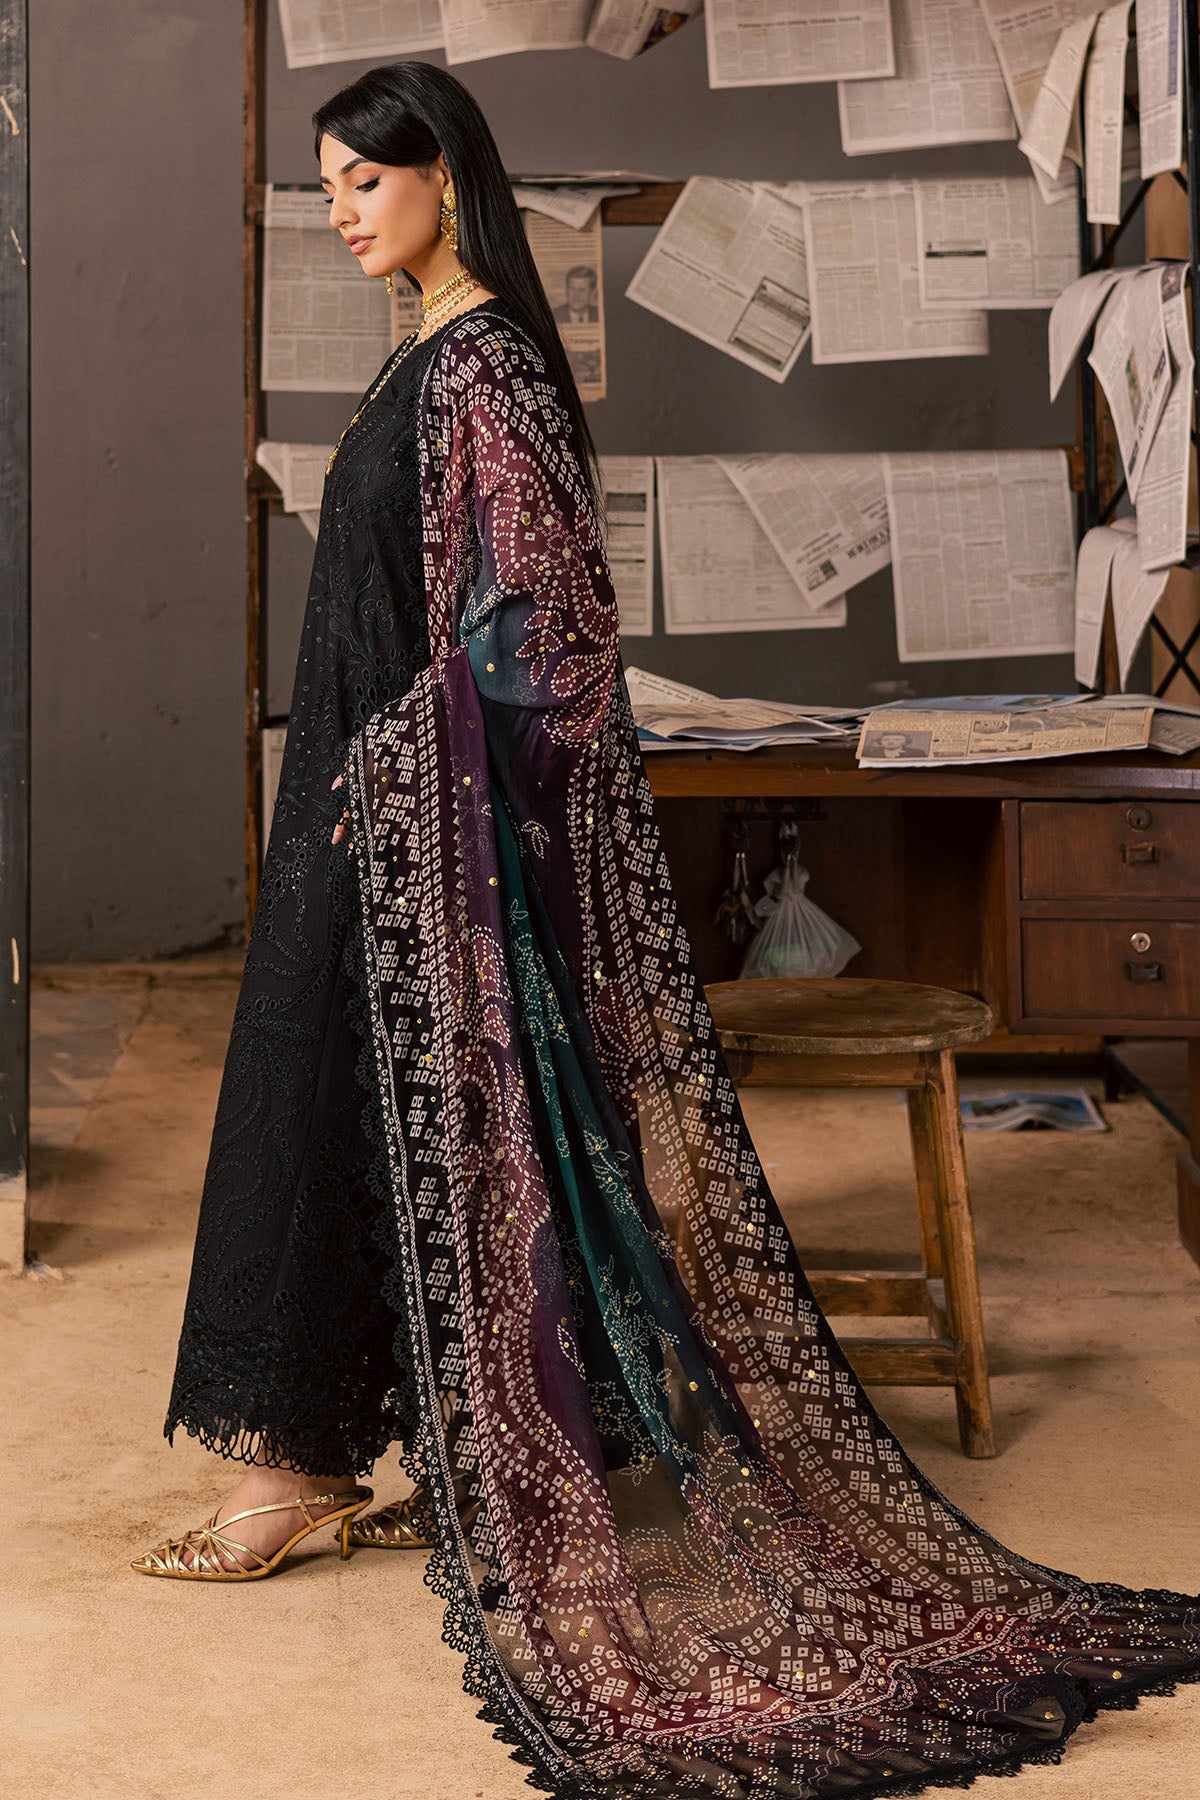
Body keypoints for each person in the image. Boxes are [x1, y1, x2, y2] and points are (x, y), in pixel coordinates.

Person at [134, 60, 1200, 1798]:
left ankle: (317, 1478)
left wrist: (403, 768)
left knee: (367, 1120)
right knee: (342, 1123)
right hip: (372, 824)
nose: (338, 212)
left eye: (362, 181)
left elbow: (545, 632)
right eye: (323, 185)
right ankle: (375, 1461)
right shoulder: (427, 352)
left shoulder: (484, 363)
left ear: (444, 177)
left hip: (423, 828)